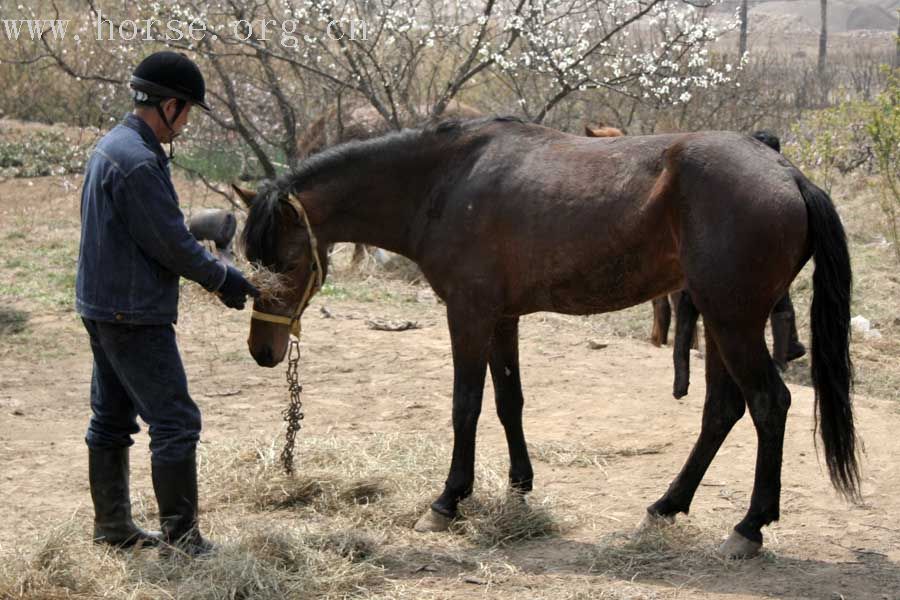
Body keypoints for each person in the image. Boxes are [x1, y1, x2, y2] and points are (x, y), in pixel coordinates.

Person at [75, 51, 259, 557]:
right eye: (188, 112)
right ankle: (184, 541)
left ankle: (112, 528)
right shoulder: (137, 162)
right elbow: (172, 246)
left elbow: (147, 227)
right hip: (132, 313)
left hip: (99, 302)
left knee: (110, 418)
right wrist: (224, 279)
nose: (186, 124)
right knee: (176, 422)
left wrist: (196, 232)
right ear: (171, 105)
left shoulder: (113, 147)